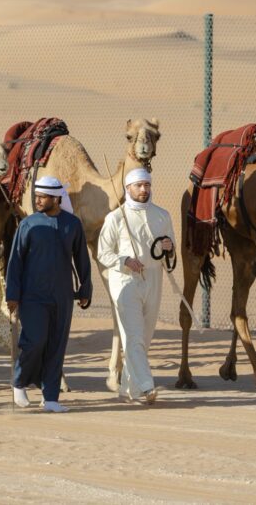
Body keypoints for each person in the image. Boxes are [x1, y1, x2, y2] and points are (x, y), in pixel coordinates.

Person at [6, 176, 91, 413]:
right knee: (34, 341)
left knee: (56, 344)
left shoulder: (72, 224)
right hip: (32, 296)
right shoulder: (29, 224)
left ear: (56, 198)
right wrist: (12, 294)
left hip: (62, 296)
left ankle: (51, 397)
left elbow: (82, 259)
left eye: (42, 197)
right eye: (36, 197)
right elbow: (15, 261)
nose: (37, 201)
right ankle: (19, 381)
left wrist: (85, 289)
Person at [97, 168, 175, 405]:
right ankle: (146, 386)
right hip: (125, 280)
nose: (143, 190)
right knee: (133, 336)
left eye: (147, 185)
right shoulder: (115, 217)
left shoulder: (162, 215)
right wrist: (124, 262)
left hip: (153, 278)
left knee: (145, 336)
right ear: (128, 188)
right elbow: (103, 252)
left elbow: (171, 256)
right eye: (138, 185)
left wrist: (169, 247)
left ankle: (127, 388)